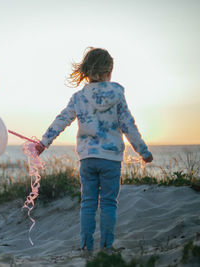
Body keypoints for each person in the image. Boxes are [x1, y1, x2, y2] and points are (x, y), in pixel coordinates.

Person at [35, 47, 153, 254]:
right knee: (108, 202)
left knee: (88, 203)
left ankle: (85, 246)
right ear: (109, 70)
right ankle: (107, 246)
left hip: (88, 159)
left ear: (87, 71)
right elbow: (128, 125)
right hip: (111, 159)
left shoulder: (79, 98)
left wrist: (44, 142)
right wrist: (143, 151)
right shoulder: (117, 94)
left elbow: (61, 120)